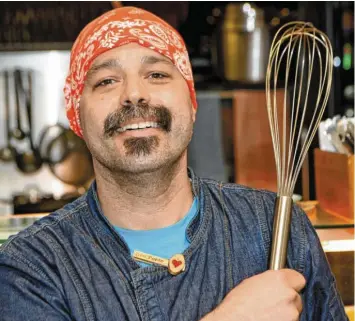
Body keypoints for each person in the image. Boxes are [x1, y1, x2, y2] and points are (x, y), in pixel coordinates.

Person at [0, 6, 348, 321]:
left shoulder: (273, 229)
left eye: (157, 75)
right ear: (77, 116)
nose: (134, 94)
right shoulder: (32, 268)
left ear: (192, 104)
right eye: (106, 80)